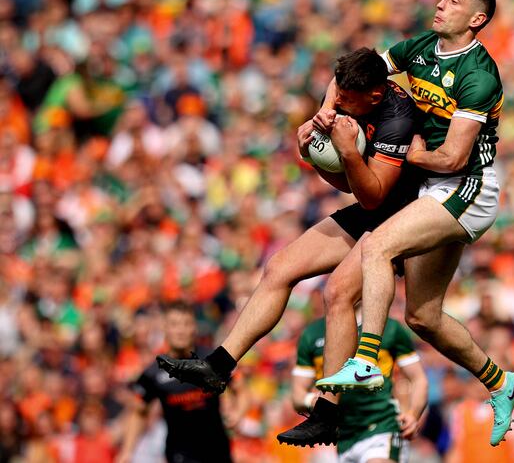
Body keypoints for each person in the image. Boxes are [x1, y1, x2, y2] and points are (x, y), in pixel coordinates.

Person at [154, 48, 420, 445]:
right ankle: (218, 366)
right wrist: (315, 139)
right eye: (338, 94)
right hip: (374, 204)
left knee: (339, 293)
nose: (339, 102)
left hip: (402, 215)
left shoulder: (397, 121)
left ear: (375, 97)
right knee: (279, 266)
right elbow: (337, 96)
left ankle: (329, 413)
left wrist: (342, 151)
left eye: (347, 99)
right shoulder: (348, 92)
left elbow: (370, 196)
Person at [316, 0, 514, 447]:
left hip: (468, 187)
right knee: (424, 317)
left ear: (476, 19)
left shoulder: (479, 75)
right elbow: (357, 73)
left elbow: (452, 158)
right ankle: (500, 382)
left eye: (454, 0)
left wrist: (405, 153)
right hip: (434, 188)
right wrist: (328, 109)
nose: (440, 3)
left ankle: (366, 361)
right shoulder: (420, 46)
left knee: (377, 245)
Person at [117, 301, 247, 463]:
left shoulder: (212, 359)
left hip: (217, 450)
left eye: (186, 324)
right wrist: (127, 451)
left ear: (194, 327)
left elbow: (240, 388)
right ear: (165, 328)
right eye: (175, 324)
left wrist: (238, 413)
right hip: (179, 454)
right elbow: (138, 412)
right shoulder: (153, 372)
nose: (181, 330)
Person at [289, 315, 428, 462]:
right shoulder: (312, 333)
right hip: (343, 437)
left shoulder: (390, 328)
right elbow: (297, 395)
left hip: (382, 425)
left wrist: (414, 414)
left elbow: (418, 379)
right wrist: (314, 400)